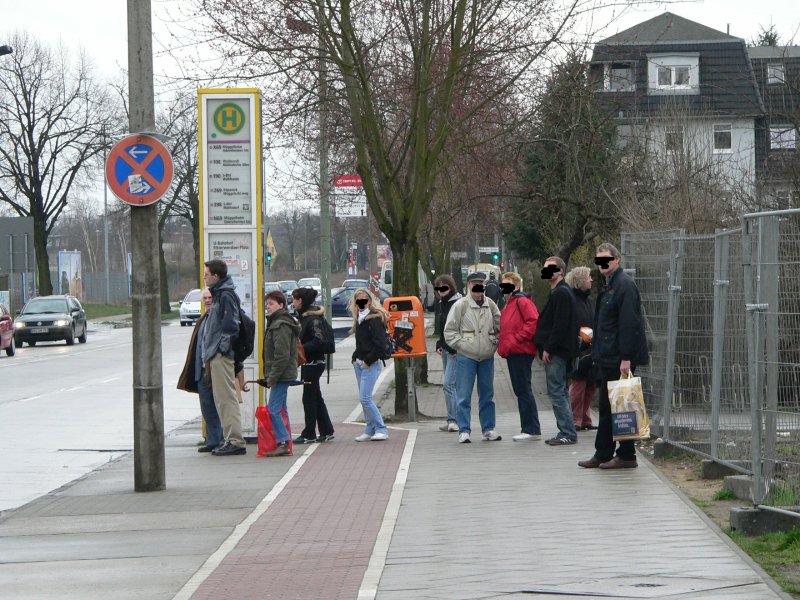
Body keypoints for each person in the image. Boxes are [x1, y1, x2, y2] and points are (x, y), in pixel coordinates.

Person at [579, 243, 649, 470]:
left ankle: (626, 454)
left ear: (617, 260)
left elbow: (630, 323)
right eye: (598, 260)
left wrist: (626, 358)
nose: (602, 264)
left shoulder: (624, 286)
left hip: (618, 357)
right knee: (609, 406)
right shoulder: (611, 286)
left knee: (622, 405)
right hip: (608, 355)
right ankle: (605, 452)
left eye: (606, 259)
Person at [443, 271, 502, 443]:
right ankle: (464, 429)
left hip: (486, 356)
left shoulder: (491, 305)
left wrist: (494, 342)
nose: (477, 288)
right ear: (468, 285)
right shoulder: (460, 305)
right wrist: (461, 345)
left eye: (480, 284)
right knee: (463, 394)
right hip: (466, 356)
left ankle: (488, 429)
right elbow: (449, 331)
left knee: (487, 395)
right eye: (474, 284)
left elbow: (499, 325)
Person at [534, 256, 579, 446]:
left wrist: (548, 348)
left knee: (557, 391)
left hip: (557, 351)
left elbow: (559, 325)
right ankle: (567, 429)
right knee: (560, 390)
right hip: (561, 350)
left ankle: (567, 432)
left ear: (560, 270)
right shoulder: (562, 292)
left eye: (549, 268)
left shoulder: (561, 293)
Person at [202, 259, 245, 456]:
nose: (205, 277)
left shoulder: (225, 296)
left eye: (206, 274)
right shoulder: (220, 295)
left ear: (216, 276)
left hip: (221, 354)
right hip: (216, 354)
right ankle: (229, 438)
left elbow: (231, 326)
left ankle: (235, 440)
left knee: (226, 398)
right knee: (221, 399)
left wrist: (221, 349)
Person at [177, 288, 223, 453]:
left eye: (210, 297)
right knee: (207, 407)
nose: (208, 300)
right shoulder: (202, 320)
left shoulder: (217, 318)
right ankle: (212, 440)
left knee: (218, 406)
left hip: (215, 369)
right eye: (205, 298)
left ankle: (220, 440)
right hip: (202, 371)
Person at [497, 272, 541, 442]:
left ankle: (530, 428)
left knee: (523, 389)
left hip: (521, 350)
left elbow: (533, 322)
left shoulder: (522, 302)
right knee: (520, 389)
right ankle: (530, 427)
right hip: (513, 351)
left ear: (516, 285)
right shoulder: (509, 304)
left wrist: (516, 339)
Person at [291, 287, 335, 444]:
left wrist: (301, 348)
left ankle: (309, 433)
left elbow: (319, 341)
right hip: (313, 363)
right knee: (315, 396)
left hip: (313, 363)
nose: (292, 302)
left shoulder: (311, 319)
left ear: (300, 301)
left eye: (294, 299)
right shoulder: (308, 317)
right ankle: (326, 430)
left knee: (308, 398)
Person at [262, 289, 301, 457]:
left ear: (281, 305)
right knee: (281, 408)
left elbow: (282, 355)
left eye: (271, 304)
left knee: (274, 409)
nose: (268, 307)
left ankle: (283, 442)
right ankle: (286, 441)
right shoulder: (277, 322)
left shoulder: (280, 324)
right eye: (266, 304)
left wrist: (272, 378)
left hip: (281, 374)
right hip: (281, 373)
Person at [350, 288, 390, 442]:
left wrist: (368, 360)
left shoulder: (374, 319)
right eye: (358, 299)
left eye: (364, 299)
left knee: (365, 398)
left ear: (369, 301)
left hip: (370, 363)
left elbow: (380, 344)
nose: (361, 302)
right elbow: (361, 342)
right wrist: (354, 358)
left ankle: (381, 428)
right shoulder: (359, 318)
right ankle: (369, 428)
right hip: (359, 362)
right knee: (363, 398)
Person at [565, 266, 597, 432]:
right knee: (578, 385)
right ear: (579, 281)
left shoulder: (590, 301)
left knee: (590, 385)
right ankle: (575, 418)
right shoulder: (571, 300)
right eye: (588, 277)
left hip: (591, 348)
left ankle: (585, 418)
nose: (591, 280)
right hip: (579, 348)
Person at [433, 274, 462, 432]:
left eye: (444, 287)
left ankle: (454, 420)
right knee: (452, 385)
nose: (441, 290)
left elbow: (459, 328)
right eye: (439, 287)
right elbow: (443, 328)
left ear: (451, 287)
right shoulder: (442, 303)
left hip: (454, 351)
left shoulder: (457, 304)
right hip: (445, 349)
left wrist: (453, 348)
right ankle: (453, 418)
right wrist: (439, 343)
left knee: (448, 385)